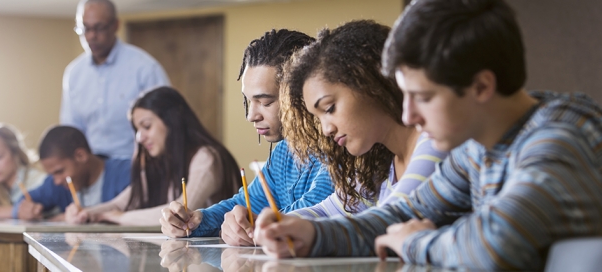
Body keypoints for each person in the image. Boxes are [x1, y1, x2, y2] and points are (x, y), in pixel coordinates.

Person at [253, 0, 602, 270]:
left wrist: (415, 243)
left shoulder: (558, 139)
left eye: (424, 97)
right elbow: (403, 214)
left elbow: (495, 243)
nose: (409, 116)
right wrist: (312, 235)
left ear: (481, 86)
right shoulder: (476, 150)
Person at [159, 29, 334, 245]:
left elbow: (319, 209)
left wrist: (252, 223)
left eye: (266, 102)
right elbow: (245, 203)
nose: (251, 115)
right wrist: (195, 220)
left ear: (303, 94)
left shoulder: (341, 145)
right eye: (248, 101)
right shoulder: (284, 152)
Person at [280, 20, 447, 220]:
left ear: (369, 81)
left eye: (330, 108)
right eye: (319, 118)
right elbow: (325, 211)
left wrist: (304, 230)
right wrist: (270, 224)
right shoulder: (380, 166)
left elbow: (391, 218)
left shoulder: (434, 140)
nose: (326, 129)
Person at [64, 86, 243, 226]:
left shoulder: (207, 157)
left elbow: (182, 211)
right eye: (137, 130)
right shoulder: (159, 162)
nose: (139, 138)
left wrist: (120, 218)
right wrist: (86, 212)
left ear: (172, 121)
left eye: (146, 126)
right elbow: (120, 204)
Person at [61, 0, 170, 159]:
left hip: (136, 161)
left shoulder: (144, 67)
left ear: (115, 25)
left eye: (99, 28)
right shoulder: (74, 73)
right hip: (93, 167)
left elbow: (166, 122)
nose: (91, 35)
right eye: (85, 28)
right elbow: (71, 129)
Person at [13, 125, 131, 220]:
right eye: (52, 174)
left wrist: (62, 218)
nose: (57, 181)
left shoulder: (126, 173)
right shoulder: (56, 184)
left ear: (81, 155)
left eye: (60, 171)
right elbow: (25, 200)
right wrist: (24, 210)